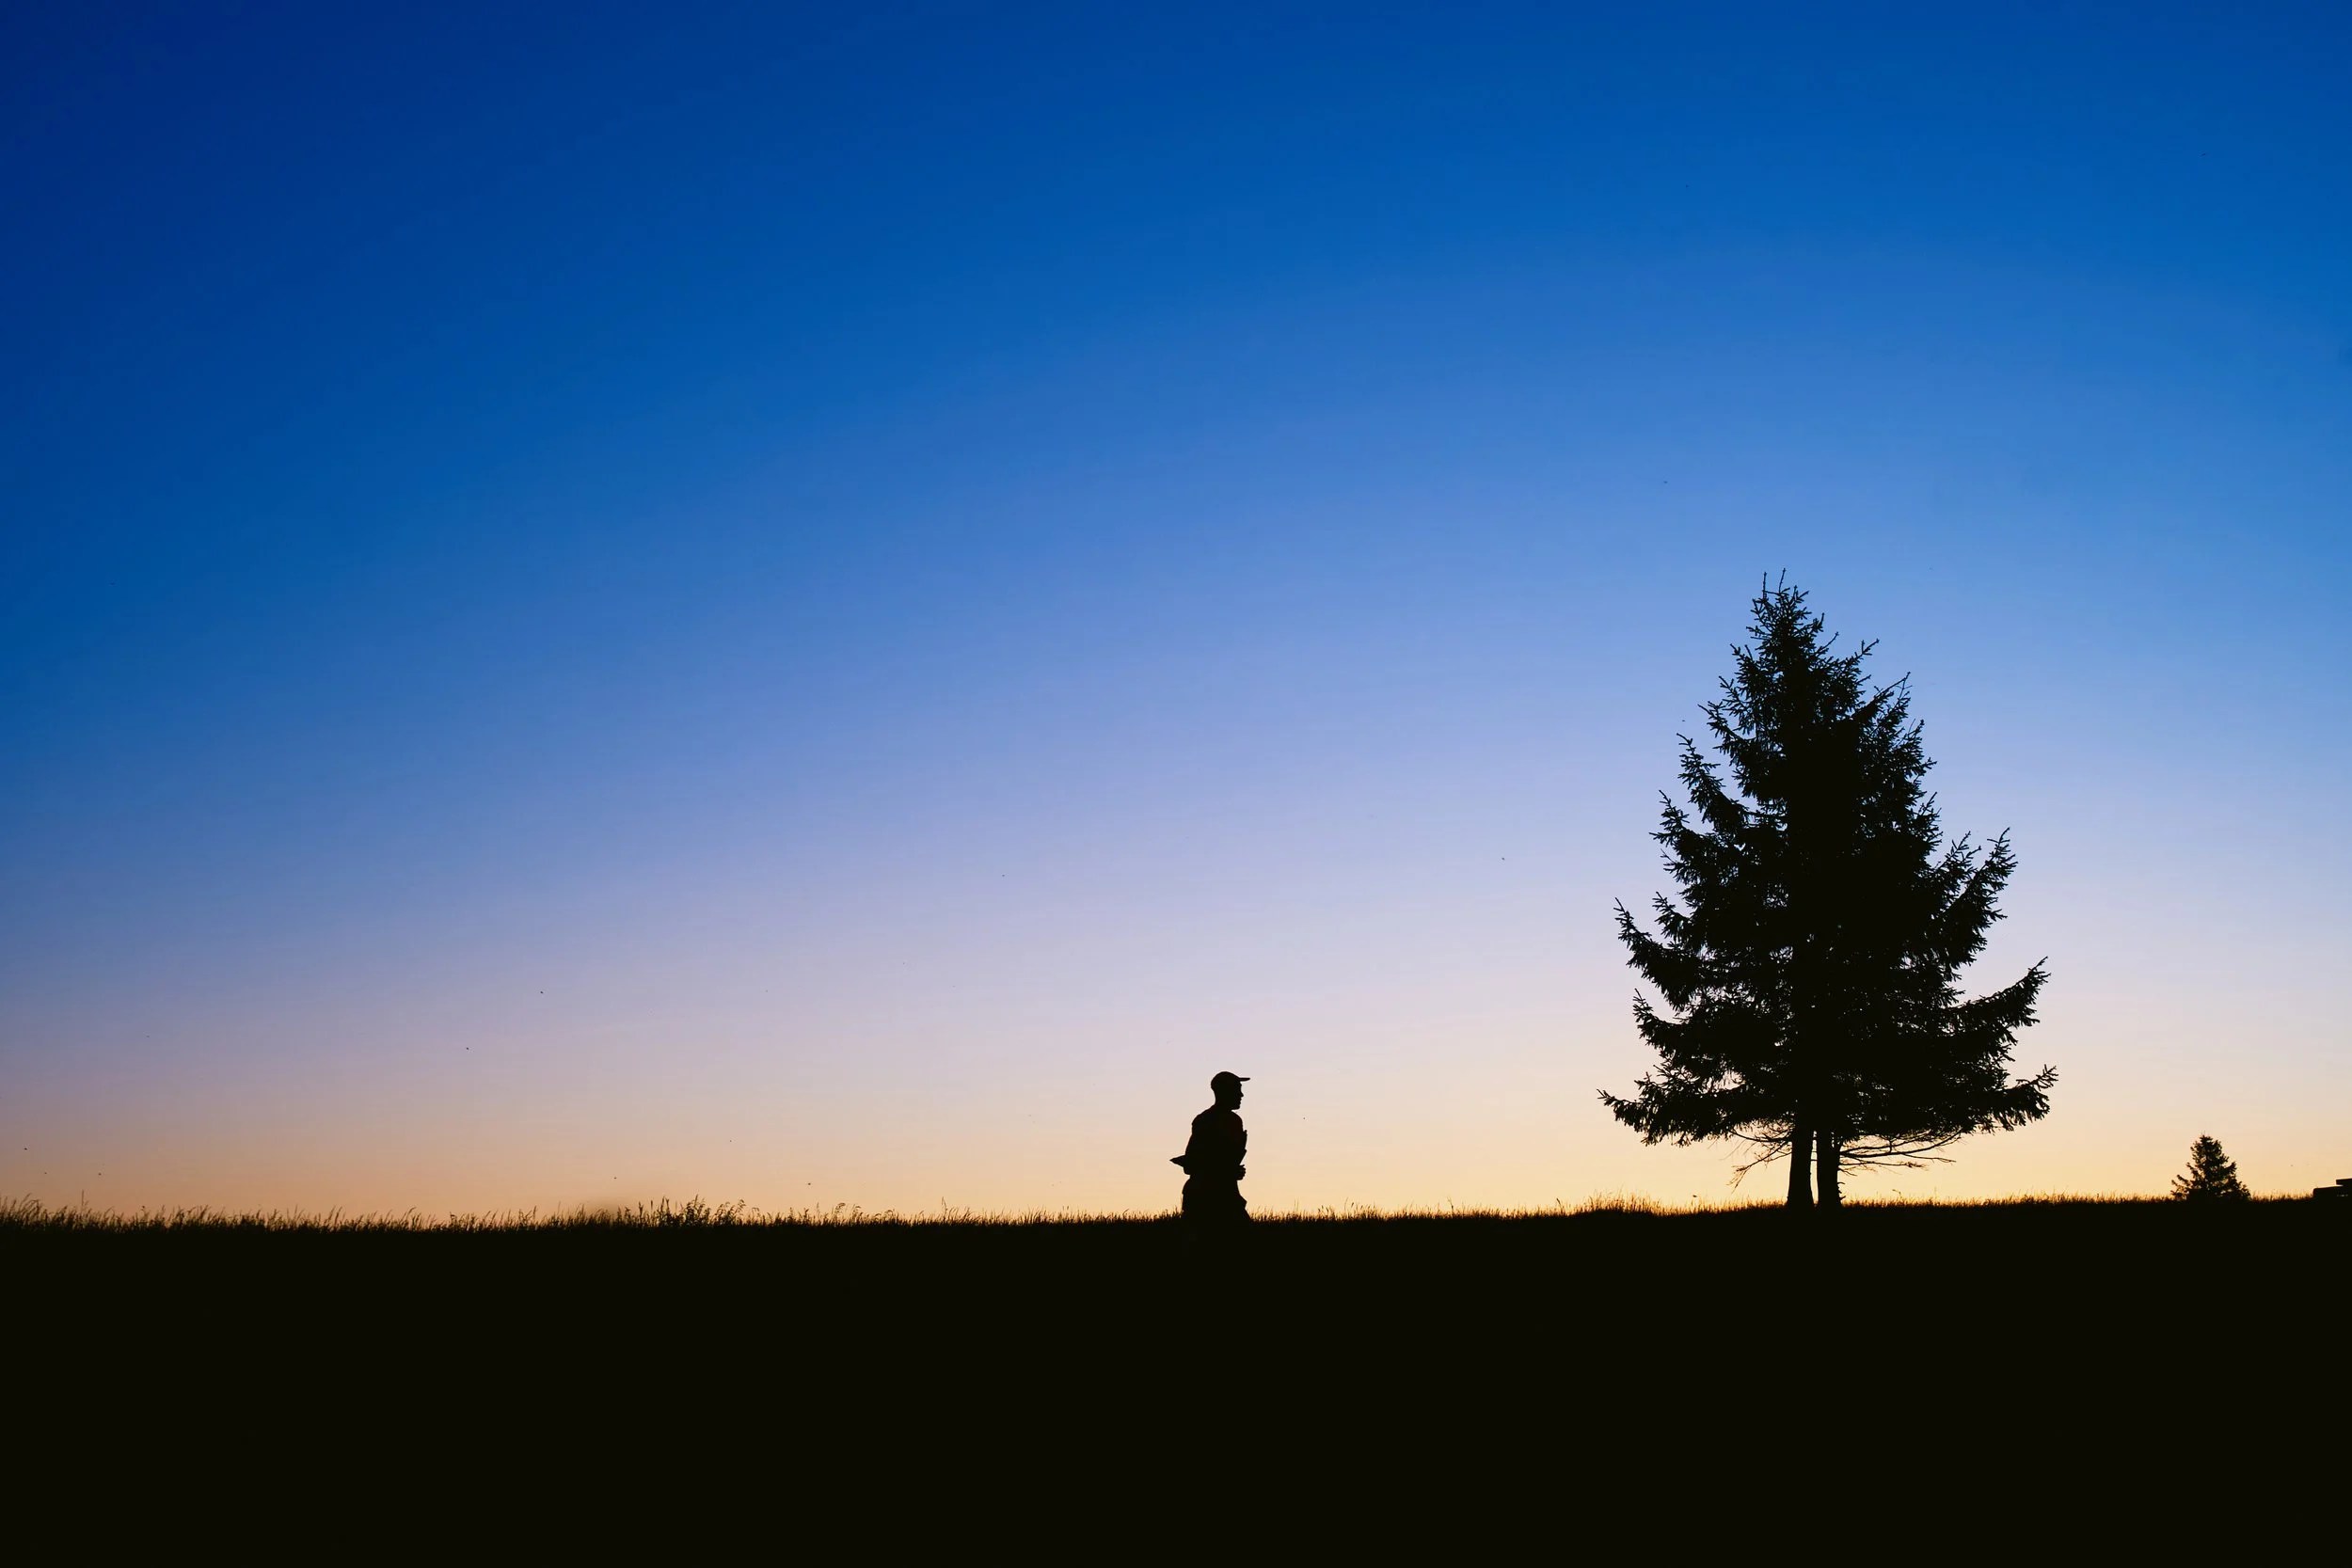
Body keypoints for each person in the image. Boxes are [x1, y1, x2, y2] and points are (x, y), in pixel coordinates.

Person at [1173, 1071, 1249, 1225]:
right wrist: (1228, 1171)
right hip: (1211, 1196)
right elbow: (1195, 1163)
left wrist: (1231, 1170)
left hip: (1221, 1194)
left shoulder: (1224, 1120)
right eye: (1237, 1090)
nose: (1241, 1095)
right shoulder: (1212, 1121)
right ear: (1225, 1092)